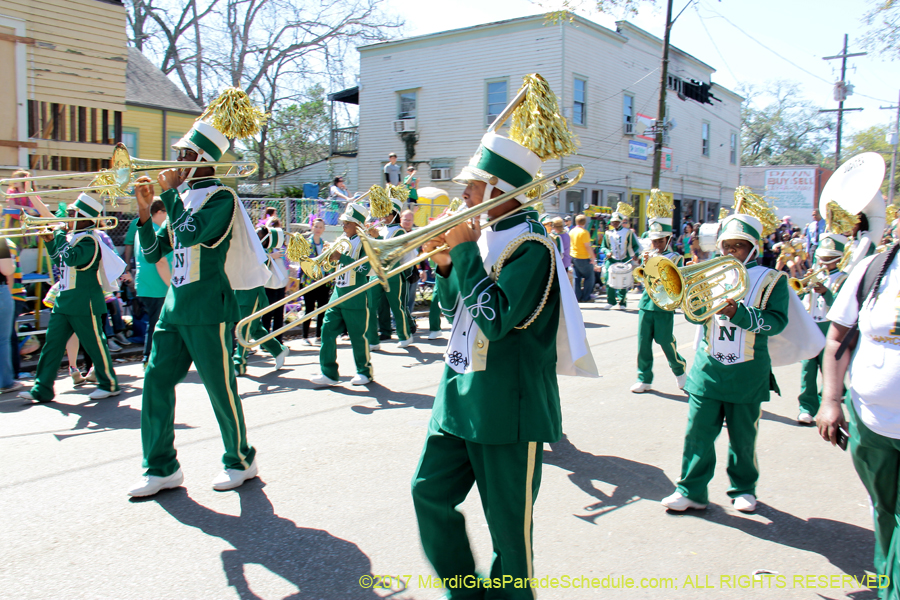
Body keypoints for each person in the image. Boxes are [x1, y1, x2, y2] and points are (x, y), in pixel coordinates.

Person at [411, 73, 596, 597]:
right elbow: (457, 309)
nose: (462, 194)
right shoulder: (486, 235)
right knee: (427, 495)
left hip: (505, 410)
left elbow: (495, 318)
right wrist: (448, 264)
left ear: (500, 191)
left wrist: (465, 252)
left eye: (471, 186)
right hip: (458, 396)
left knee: (509, 537)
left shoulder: (531, 246)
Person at [127, 90, 270, 497]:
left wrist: (169, 196)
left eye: (183, 155)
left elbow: (190, 232)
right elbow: (156, 250)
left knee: (220, 388)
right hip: (175, 308)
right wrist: (142, 214)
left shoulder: (221, 198)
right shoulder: (182, 198)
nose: (175, 163)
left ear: (201, 160)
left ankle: (241, 459)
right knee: (155, 382)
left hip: (210, 308)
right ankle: (160, 467)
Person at [661, 213, 788, 514]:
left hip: (748, 370)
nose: (730, 252)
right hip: (708, 368)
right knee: (697, 433)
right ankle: (690, 490)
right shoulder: (710, 273)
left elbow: (777, 322)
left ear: (754, 248)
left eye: (739, 246)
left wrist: (740, 313)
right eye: (726, 246)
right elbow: (696, 316)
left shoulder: (772, 280)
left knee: (743, 438)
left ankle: (744, 488)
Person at [817, 229, 900, 598]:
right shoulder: (874, 268)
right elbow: (837, 338)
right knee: (884, 511)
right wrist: (830, 401)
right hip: (871, 425)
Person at [18, 195, 124, 403]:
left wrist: (57, 232)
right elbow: (61, 260)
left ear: (85, 218)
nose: (69, 216)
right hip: (65, 301)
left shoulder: (90, 241)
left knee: (95, 345)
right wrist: (50, 241)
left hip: (84, 302)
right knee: (52, 346)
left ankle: (109, 384)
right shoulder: (74, 238)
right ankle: (42, 389)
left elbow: (72, 258)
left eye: (74, 213)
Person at [310, 203, 374, 386]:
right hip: (337, 293)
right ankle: (328, 373)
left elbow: (365, 268)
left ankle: (364, 372)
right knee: (326, 331)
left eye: (347, 223)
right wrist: (329, 256)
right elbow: (337, 264)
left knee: (357, 336)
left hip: (356, 296)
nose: (343, 226)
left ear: (357, 225)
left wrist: (341, 257)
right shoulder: (343, 240)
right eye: (344, 223)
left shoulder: (365, 243)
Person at [630, 214, 687, 394]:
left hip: (664, 304)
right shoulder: (648, 254)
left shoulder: (676, 257)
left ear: (668, 239)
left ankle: (679, 369)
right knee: (643, 343)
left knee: (665, 340)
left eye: (660, 241)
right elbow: (642, 279)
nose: (656, 244)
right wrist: (645, 262)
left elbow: (675, 280)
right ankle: (644, 379)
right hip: (646, 303)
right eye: (654, 241)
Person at [795, 233, 847, 424]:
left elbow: (843, 309)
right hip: (811, 326)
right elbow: (801, 302)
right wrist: (805, 287)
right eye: (821, 259)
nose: (824, 264)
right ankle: (806, 407)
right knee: (807, 370)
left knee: (829, 371)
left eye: (828, 260)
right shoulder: (814, 276)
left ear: (838, 259)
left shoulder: (843, 280)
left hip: (830, 328)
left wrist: (826, 292)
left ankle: (828, 404)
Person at [233, 227, 289, 376]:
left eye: (259, 235)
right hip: (241, 293)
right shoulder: (248, 249)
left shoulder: (260, 254)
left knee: (244, 328)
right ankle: (278, 350)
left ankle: (239, 362)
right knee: (255, 329)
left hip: (251, 295)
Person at [366, 196, 414, 350]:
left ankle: (405, 336)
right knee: (370, 305)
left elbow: (389, 250)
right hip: (375, 271)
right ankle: (373, 340)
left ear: (394, 215)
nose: (383, 217)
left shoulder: (399, 231)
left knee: (396, 305)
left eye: (386, 214)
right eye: (382, 214)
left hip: (392, 273)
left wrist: (376, 237)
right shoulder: (380, 229)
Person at [130, 200, 171, 368]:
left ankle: (153, 358)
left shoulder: (144, 230)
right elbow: (160, 261)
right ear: (159, 212)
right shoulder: (155, 231)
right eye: (167, 213)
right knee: (157, 325)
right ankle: (149, 359)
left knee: (156, 324)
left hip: (147, 285)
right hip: (158, 286)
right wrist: (171, 285)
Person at [600, 208, 640, 308]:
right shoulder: (608, 233)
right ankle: (611, 301)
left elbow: (635, 246)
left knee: (623, 280)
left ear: (620, 222)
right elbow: (603, 246)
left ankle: (622, 302)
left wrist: (635, 254)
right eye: (613, 222)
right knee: (608, 279)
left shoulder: (628, 232)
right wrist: (607, 252)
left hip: (624, 258)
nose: (614, 224)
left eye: (616, 222)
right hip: (612, 259)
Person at [300, 218, 329, 345]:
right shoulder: (306, 244)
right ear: (312, 227)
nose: (318, 229)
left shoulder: (325, 244)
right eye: (316, 226)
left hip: (323, 281)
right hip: (309, 281)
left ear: (324, 229)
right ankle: (304, 336)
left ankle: (319, 336)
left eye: (320, 227)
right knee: (309, 309)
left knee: (322, 309)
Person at [260, 218, 289, 343]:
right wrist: (271, 256)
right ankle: (265, 342)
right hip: (268, 284)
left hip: (280, 284)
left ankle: (278, 340)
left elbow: (286, 264)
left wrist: (287, 281)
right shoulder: (264, 245)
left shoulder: (282, 246)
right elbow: (259, 260)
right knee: (267, 313)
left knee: (279, 314)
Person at [569, 214, 596, 302]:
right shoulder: (584, 232)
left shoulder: (572, 231)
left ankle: (577, 296)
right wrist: (593, 257)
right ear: (585, 222)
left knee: (577, 278)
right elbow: (587, 246)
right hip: (583, 257)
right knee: (589, 278)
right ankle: (586, 297)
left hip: (574, 256)